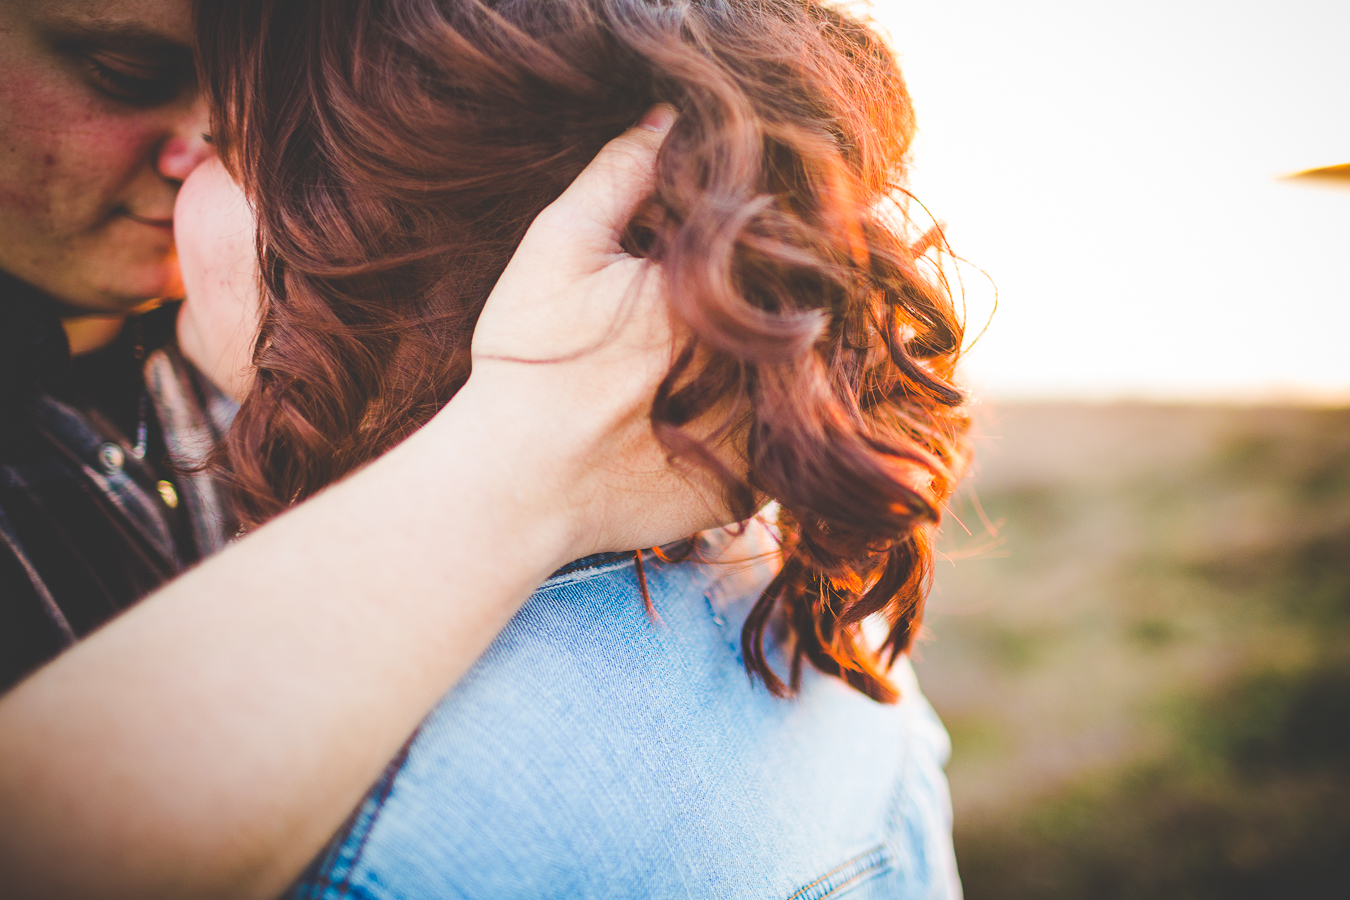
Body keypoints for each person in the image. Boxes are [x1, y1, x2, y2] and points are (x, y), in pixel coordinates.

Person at [182, 0, 970, 897]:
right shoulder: (822, 623)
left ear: (374, 230)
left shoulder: (366, 838)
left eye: (220, 144)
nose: (174, 163)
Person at [0, 0, 728, 896]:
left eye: (246, 116)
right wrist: (527, 449)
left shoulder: (253, 375)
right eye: (123, 74)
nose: (196, 147)